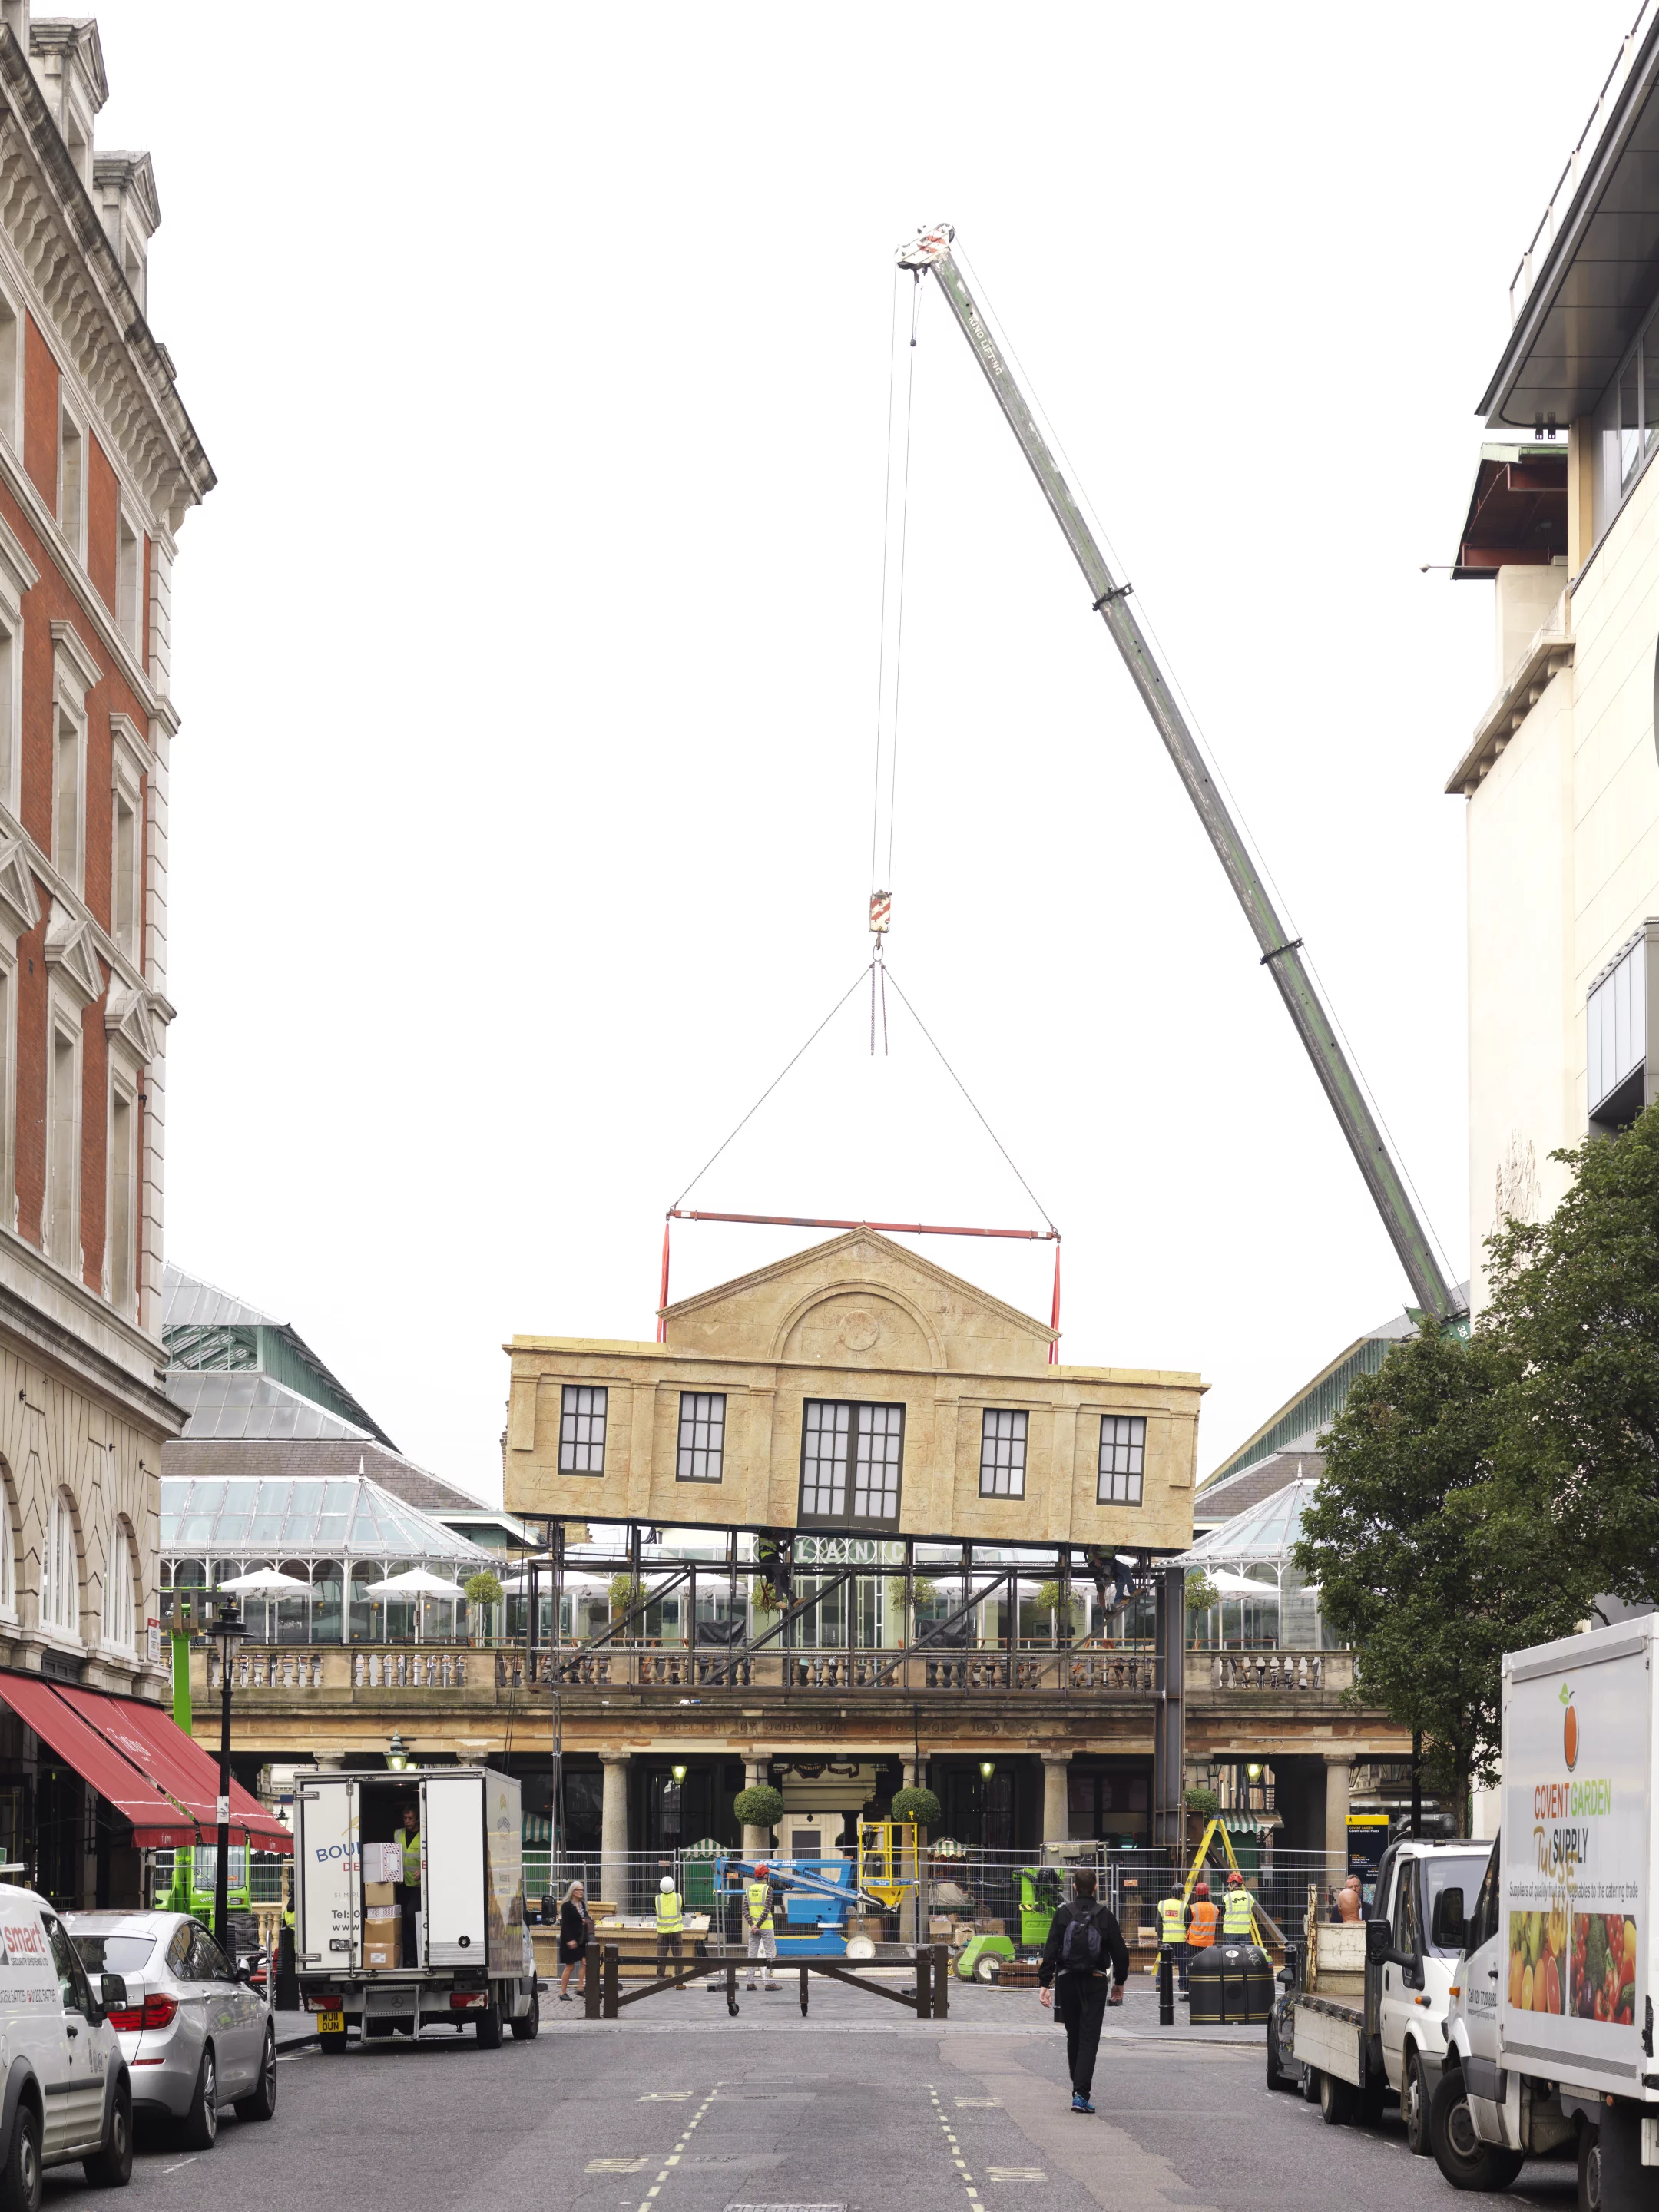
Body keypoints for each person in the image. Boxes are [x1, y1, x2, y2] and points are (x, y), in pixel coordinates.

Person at [1038, 1869, 1129, 2115]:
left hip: (1066, 1981)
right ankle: (1080, 2093)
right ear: (1097, 1887)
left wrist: (1045, 1984)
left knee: (1074, 2035)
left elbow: (1051, 1949)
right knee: (1090, 2038)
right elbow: (1121, 1954)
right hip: (1095, 1981)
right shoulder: (1106, 1916)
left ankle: (1076, 2086)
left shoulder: (1062, 1913)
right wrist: (1119, 1983)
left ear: (1075, 1887)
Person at [743, 1863, 779, 1992]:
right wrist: (758, 1925)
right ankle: (769, 1983)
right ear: (765, 1875)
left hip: (752, 1928)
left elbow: (745, 1910)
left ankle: (750, 1982)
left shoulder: (748, 1889)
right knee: (769, 1954)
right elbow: (767, 1908)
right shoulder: (768, 1889)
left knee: (751, 1954)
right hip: (766, 1927)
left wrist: (753, 1925)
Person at [558, 1879, 592, 2002]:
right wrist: (570, 1940)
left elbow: (585, 1917)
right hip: (569, 1939)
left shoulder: (582, 1905)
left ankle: (580, 1988)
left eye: (582, 1890)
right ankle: (563, 1992)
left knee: (585, 1962)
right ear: (573, 1891)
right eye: (578, 1890)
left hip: (581, 1939)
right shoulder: (566, 1906)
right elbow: (565, 1925)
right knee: (570, 1966)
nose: (581, 1892)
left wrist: (585, 1921)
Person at [396, 1803, 421, 1965]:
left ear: (417, 1819)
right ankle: (410, 1958)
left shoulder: (425, 1834)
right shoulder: (398, 1833)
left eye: (410, 1818)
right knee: (402, 1920)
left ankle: (419, 1955)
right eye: (405, 1818)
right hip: (401, 1884)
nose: (407, 1821)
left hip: (419, 1887)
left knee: (412, 1916)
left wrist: (425, 1869)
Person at [1157, 1884, 1190, 1994]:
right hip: (1181, 1940)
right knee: (1182, 1965)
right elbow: (1188, 1924)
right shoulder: (1184, 1906)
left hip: (1167, 1939)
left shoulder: (1162, 1904)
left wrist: (1161, 1936)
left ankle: (1159, 1984)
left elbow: (1158, 1923)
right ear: (1181, 1894)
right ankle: (1182, 1988)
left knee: (1164, 1963)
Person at [655, 1875, 687, 1988]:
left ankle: (660, 1980)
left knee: (661, 1957)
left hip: (663, 1933)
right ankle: (679, 1982)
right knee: (678, 1957)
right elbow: (682, 1908)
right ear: (673, 1886)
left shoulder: (657, 1899)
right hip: (676, 1932)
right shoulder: (679, 1897)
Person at [1220, 1871, 1255, 1941]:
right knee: (1243, 1952)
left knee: (1230, 1952)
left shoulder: (1227, 1897)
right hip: (1244, 1931)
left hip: (1230, 1932)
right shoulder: (1249, 1896)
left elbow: (1221, 1913)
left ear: (1234, 1884)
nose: (1228, 1886)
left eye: (1229, 1884)